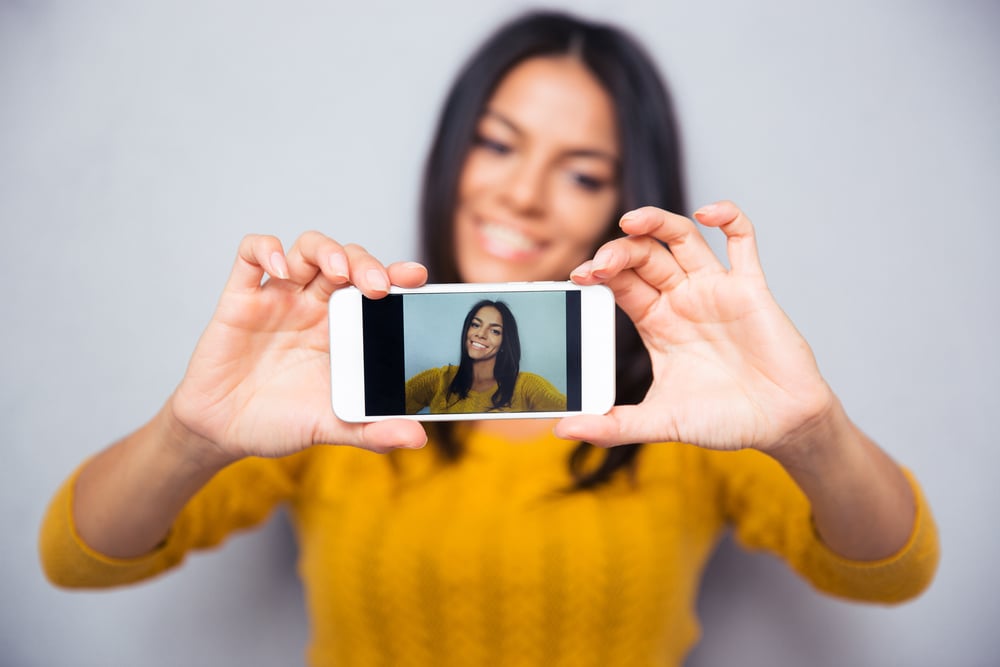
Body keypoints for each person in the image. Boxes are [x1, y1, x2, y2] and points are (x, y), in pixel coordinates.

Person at [39, 9, 939, 667]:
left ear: (625, 194)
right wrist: (191, 434)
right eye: (498, 144)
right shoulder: (337, 379)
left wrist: (811, 427)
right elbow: (76, 557)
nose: (522, 195)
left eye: (582, 171)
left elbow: (891, 575)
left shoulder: (681, 403)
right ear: (451, 153)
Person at [405, 299, 567, 415]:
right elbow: (386, 407)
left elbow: (575, 411)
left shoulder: (527, 386)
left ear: (505, 342)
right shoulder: (439, 379)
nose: (480, 334)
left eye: (494, 331)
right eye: (475, 325)